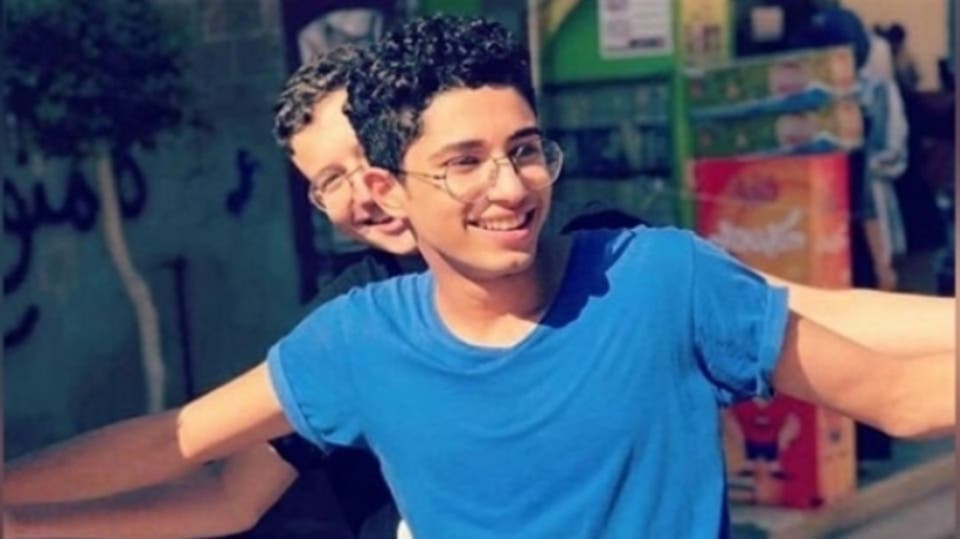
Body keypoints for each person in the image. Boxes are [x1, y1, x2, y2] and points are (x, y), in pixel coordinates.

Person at [3, 17, 955, 539]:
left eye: (523, 149)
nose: (506, 185)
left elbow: (859, 360)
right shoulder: (352, 335)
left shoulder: (645, 273)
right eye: (329, 183)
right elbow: (186, 450)